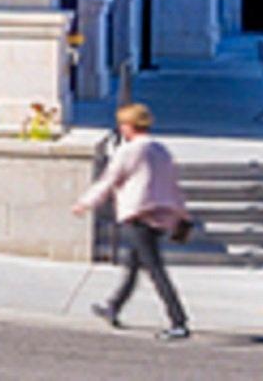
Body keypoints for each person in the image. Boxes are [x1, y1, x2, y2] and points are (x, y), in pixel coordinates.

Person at [75, 100, 192, 339]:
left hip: (139, 215)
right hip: (161, 216)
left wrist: (86, 202)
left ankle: (178, 320)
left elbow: (109, 179)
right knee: (133, 265)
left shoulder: (129, 151)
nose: (121, 129)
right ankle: (114, 306)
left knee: (155, 269)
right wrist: (181, 214)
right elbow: (173, 185)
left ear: (129, 125)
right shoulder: (161, 150)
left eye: (122, 124)